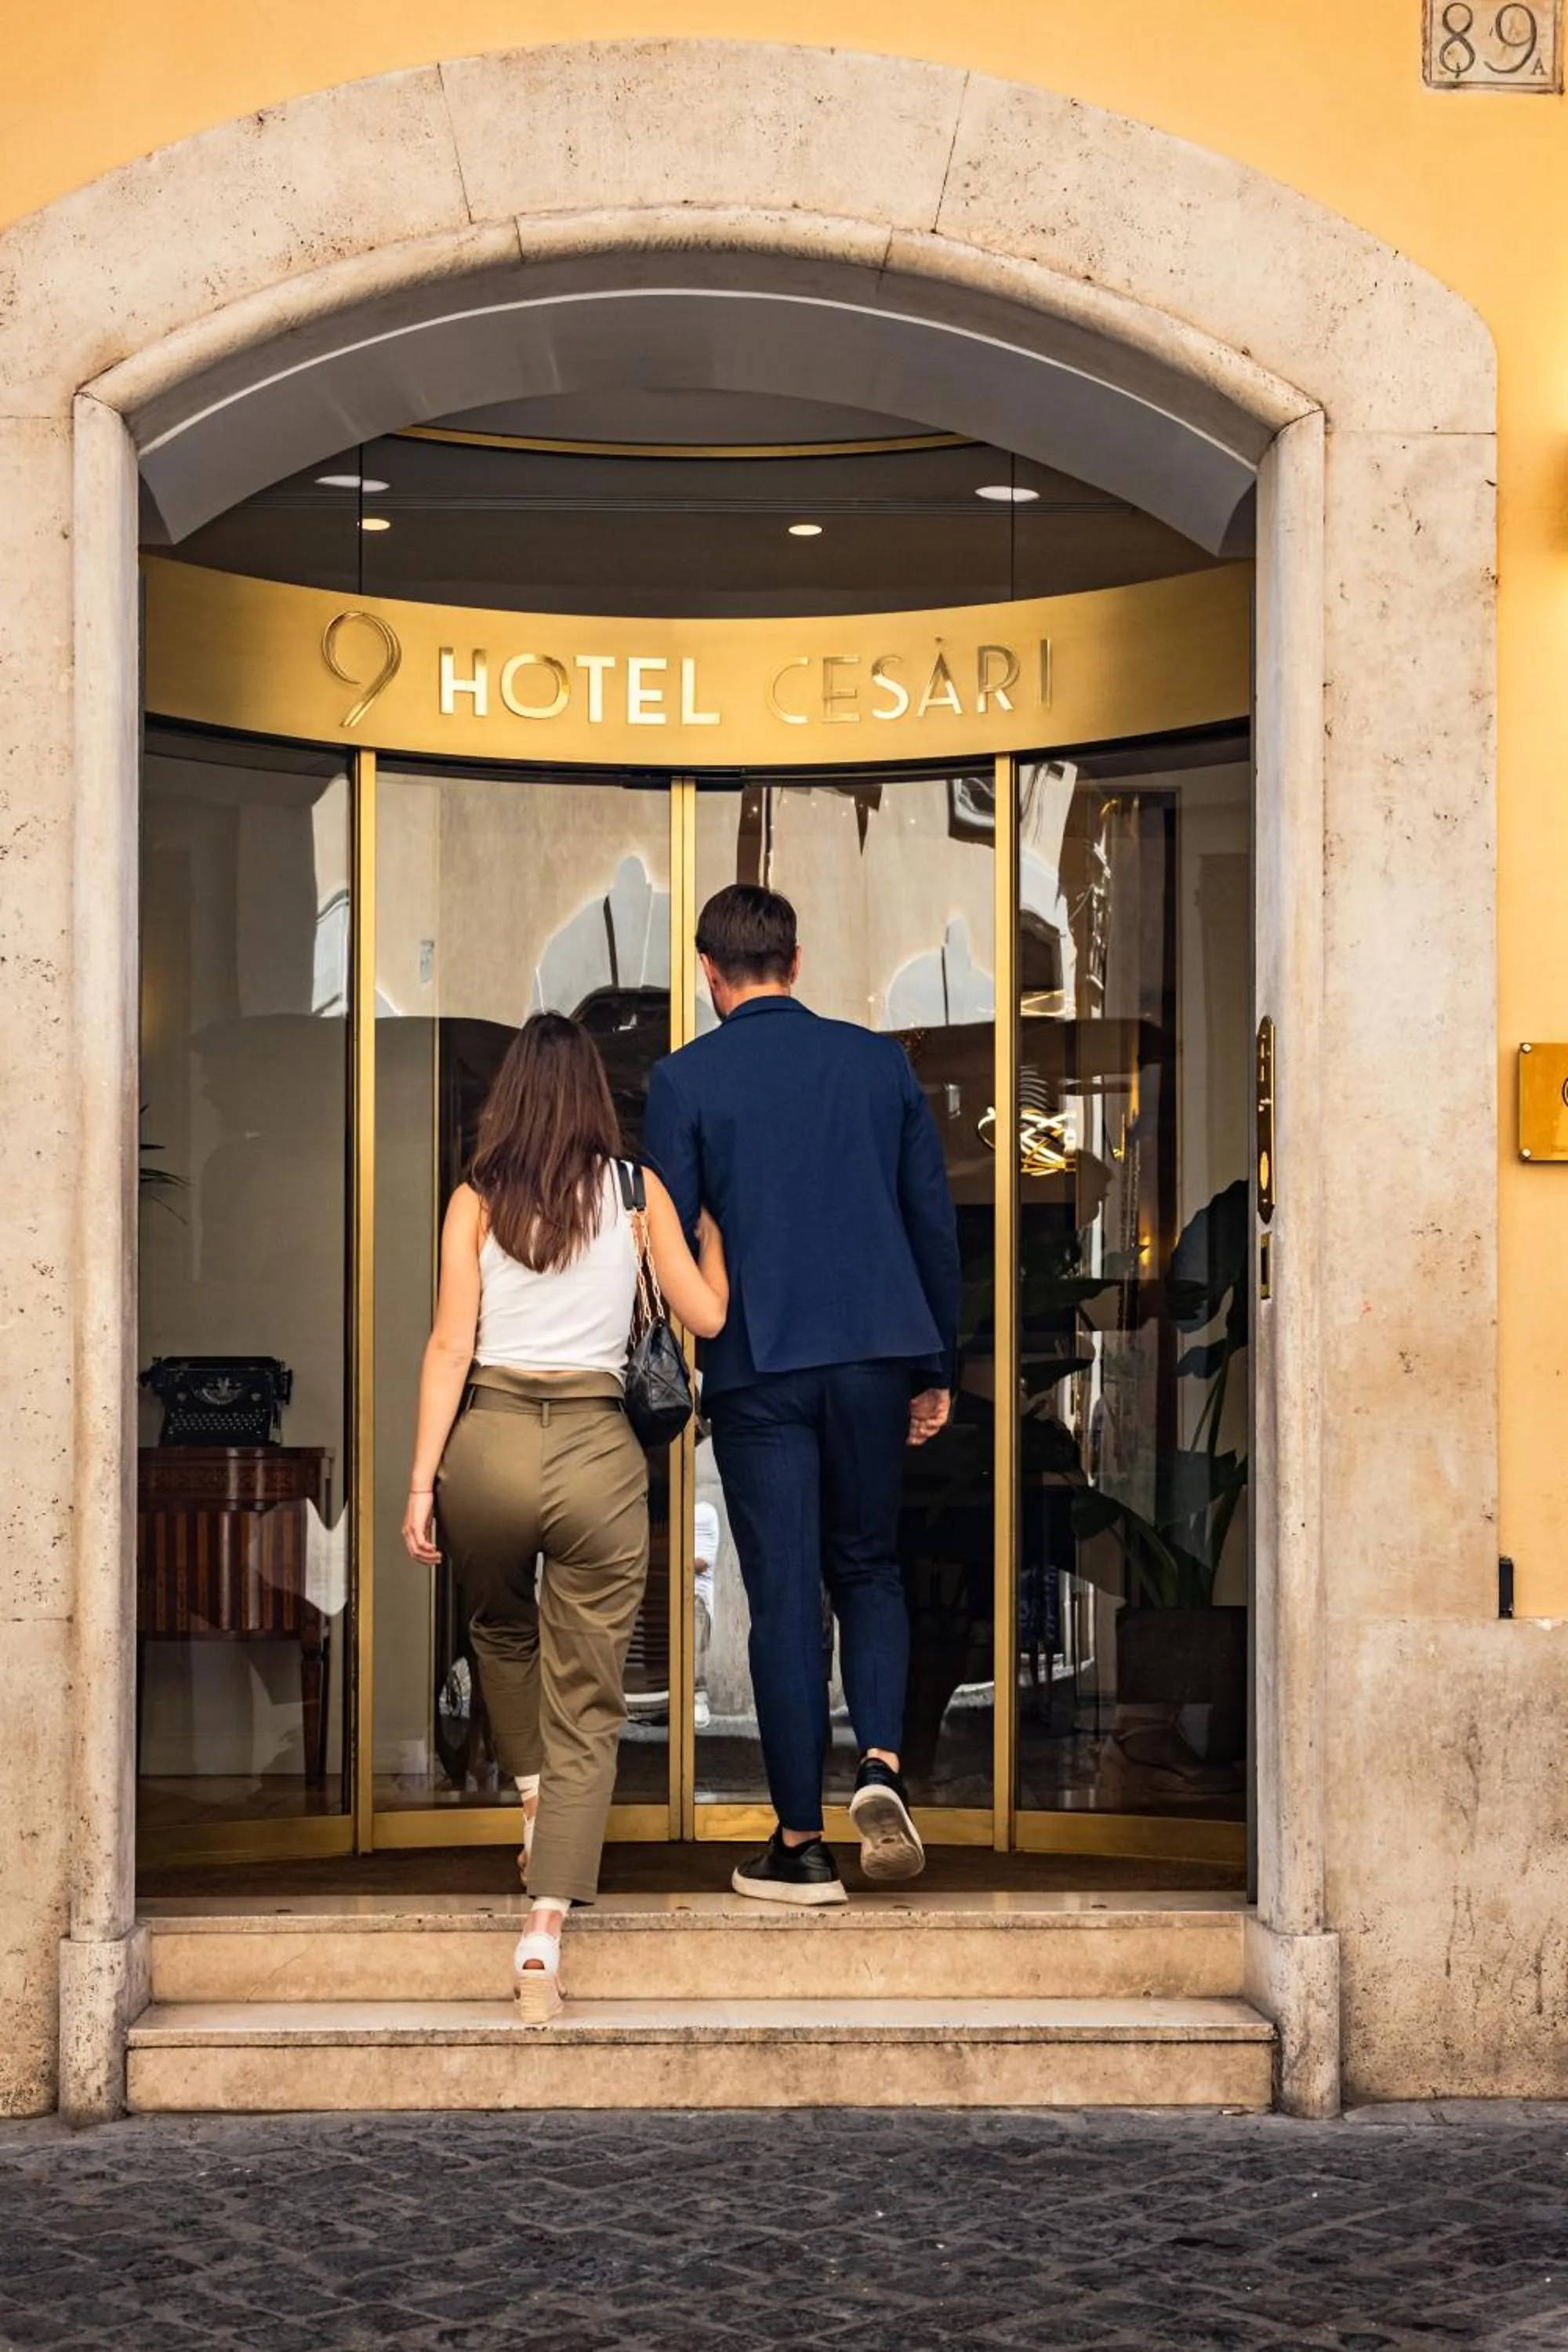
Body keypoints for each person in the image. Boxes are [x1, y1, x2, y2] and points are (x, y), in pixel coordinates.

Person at [401, 1012, 727, 2017]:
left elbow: (449, 1345)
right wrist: (710, 1241)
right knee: (589, 1692)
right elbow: (706, 1317)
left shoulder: (475, 1200)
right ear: (593, 1094)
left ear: (509, 1096)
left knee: (498, 1627)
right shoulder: (635, 1191)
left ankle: (533, 1792)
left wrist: (421, 1483)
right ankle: (542, 1933)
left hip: (489, 1443)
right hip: (597, 1454)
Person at [644, 884, 960, 1907]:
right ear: (795, 960)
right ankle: (881, 1763)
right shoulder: (878, 1065)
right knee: (868, 1567)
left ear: (708, 973)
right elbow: (930, 1221)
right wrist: (934, 1367)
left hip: (759, 1363)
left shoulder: (683, 1080)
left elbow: (668, 1237)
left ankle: (800, 1845)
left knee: (783, 1595)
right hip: (876, 1356)